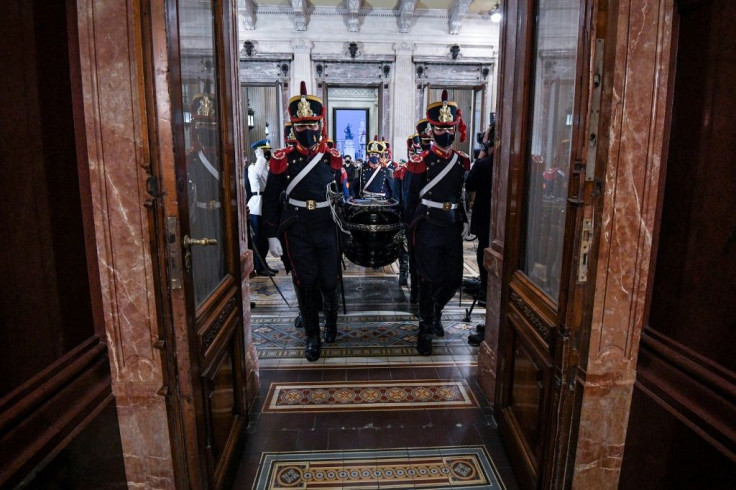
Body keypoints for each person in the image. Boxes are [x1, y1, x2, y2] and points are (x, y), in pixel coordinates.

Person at [262, 81, 343, 362]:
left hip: (326, 226)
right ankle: (312, 336)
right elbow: (270, 198)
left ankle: (331, 321)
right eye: (301, 126)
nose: (307, 131)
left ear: (320, 125)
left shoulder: (331, 158)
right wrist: (271, 235)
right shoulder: (282, 159)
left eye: (312, 125)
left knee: (329, 282)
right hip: (297, 228)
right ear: (293, 127)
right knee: (305, 283)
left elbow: (339, 194)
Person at [404, 90, 470, 356]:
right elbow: (409, 201)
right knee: (428, 280)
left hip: (451, 225)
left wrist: (464, 220)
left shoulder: (462, 161)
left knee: (453, 278)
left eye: (450, 128)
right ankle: (425, 328)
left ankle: (435, 312)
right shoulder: (420, 162)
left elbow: (461, 195)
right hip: (428, 225)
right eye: (441, 128)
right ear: (431, 130)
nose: (446, 133)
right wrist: (411, 232)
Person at [186, 92, 225, 304]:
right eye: (202, 126)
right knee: (203, 262)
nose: (207, 131)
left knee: (222, 259)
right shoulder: (191, 159)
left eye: (210, 127)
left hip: (221, 215)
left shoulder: (225, 159)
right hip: (200, 217)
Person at [465, 117, 495, 347]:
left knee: (488, 278)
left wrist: (483, 153)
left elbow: (470, 183)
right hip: (503, 233)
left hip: (488, 230)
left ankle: (491, 329)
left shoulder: (486, 165)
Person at [247, 138, 276, 276]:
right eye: (265, 151)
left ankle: (264, 264)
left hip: (265, 203)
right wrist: (260, 157)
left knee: (264, 239)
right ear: (258, 152)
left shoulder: (265, 167)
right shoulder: (253, 167)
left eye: (268, 151)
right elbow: (258, 174)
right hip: (256, 205)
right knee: (258, 239)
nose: (267, 154)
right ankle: (259, 267)